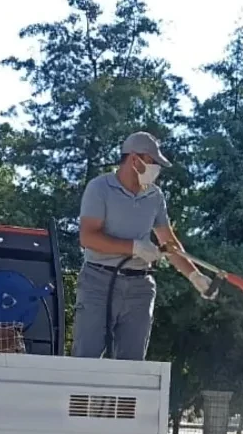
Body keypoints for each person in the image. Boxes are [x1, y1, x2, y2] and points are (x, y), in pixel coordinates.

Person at [71, 131, 214, 361]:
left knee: (132, 365)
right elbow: (88, 238)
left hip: (140, 287)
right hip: (98, 282)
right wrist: (134, 247)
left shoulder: (155, 196)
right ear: (134, 159)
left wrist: (195, 276)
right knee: (86, 359)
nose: (156, 169)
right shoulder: (99, 188)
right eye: (153, 161)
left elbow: (169, 243)